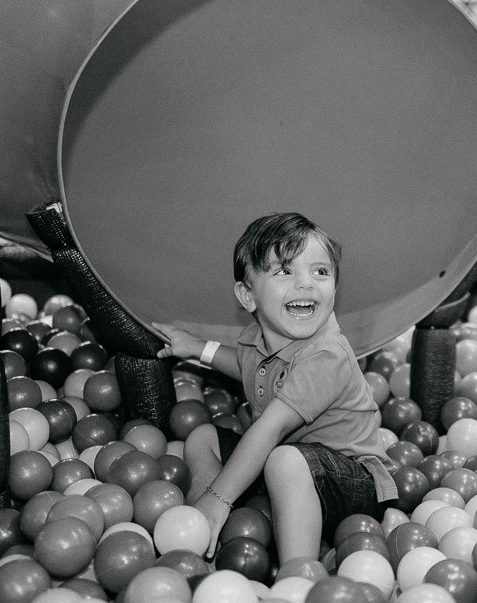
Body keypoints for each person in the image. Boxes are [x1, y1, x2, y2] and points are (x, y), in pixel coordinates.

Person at [153, 213, 397, 564]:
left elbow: (272, 428)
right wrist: (198, 348)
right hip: (287, 468)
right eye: (284, 271)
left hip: (351, 484)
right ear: (248, 296)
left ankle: (297, 574)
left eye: (320, 272)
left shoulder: (327, 354)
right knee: (203, 437)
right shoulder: (259, 341)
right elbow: (245, 366)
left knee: (282, 458)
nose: (306, 284)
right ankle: (203, 529)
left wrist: (220, 496)